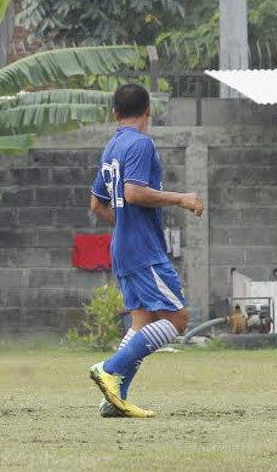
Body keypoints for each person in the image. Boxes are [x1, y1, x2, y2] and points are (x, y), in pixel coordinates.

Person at [87, 83, 205, 418]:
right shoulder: (140, 144)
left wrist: (124, 224)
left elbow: (97, 205)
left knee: (143, 322)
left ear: (115, 113)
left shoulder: (111, 147)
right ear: (148, 110)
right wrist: (181, 198)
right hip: (143, 249)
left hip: (123, 247)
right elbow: (135, 193)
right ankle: (109, 368)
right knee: (177, 319)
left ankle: (115, 399)